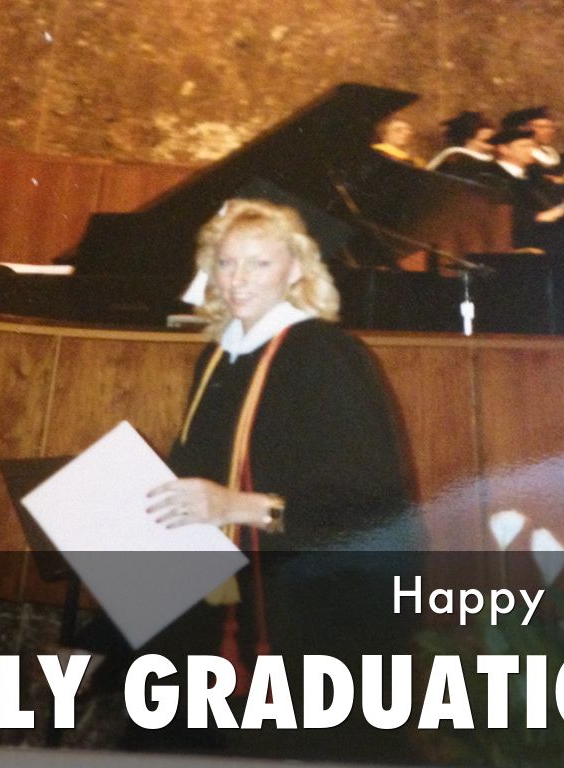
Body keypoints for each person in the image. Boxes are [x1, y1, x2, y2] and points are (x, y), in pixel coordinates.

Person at [137, 198, 418, 761]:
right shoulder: (217, 356)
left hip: (306, 613)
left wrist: (236, 506)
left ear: (294, 270)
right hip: (219, 596)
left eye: (258, 263)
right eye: (225, 263)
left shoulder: (326, 354)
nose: (237, 280)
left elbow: (370, 498)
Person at [426, 110, 496, 180]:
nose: (491, 146)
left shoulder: (491, 161)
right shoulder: (456, 157)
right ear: (468, 140)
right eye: (486, 141)